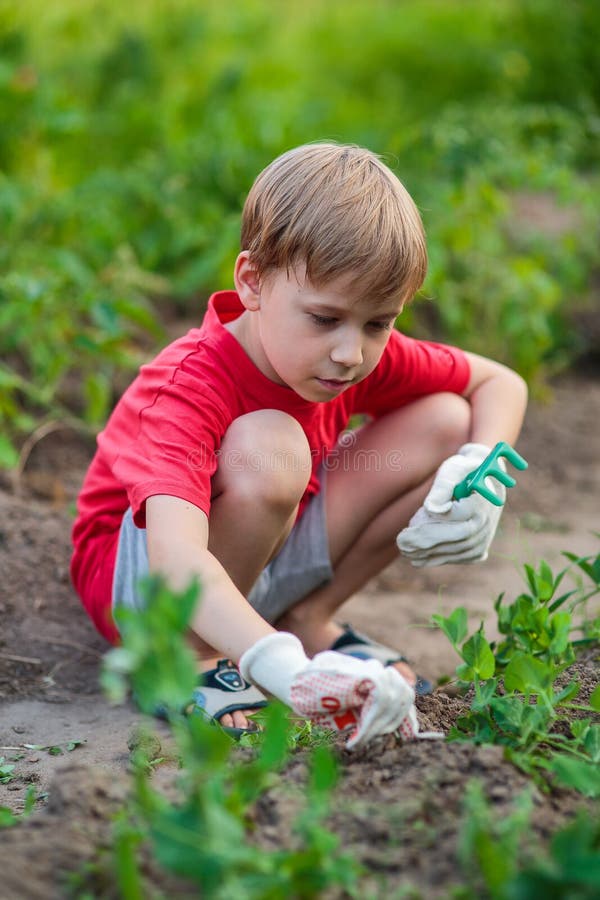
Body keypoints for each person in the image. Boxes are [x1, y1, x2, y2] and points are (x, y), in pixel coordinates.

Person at [70, 142, 527, 748]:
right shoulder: (189, 385)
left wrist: (479, 472)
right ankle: (191, 655)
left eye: (377, 323)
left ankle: (304, 618)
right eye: (323, 319)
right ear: (252, 281)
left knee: (446, 420)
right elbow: (176, 561)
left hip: (250, 554)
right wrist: (285, 671)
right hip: (147, 583)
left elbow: (500, 383)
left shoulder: (345, 354)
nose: (350, 353)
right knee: (272, 442)